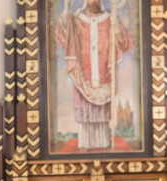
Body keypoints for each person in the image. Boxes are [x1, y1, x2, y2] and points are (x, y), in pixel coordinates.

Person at [53, 0, 133, 151]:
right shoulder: (76, 20)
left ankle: (102, 143)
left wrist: (116, 28)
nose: (93, 1)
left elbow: (126, 44)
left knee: (102, 113)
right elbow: (63, 35)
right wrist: (66, 11)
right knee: (85, 110)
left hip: (104, 74)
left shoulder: (110, 19)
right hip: (83, 75)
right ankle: (86, 143)